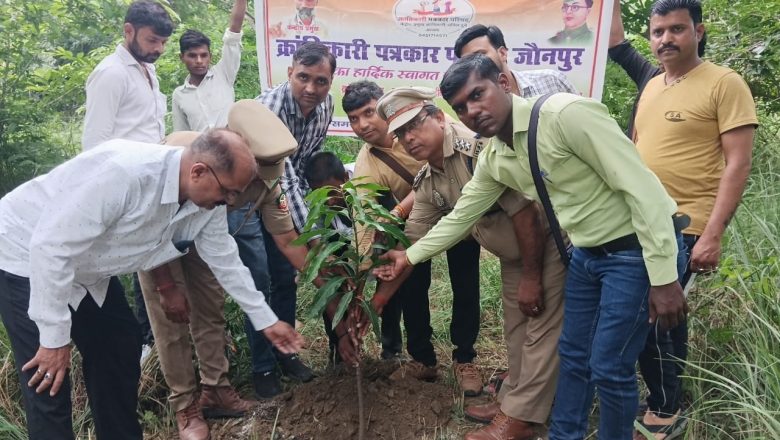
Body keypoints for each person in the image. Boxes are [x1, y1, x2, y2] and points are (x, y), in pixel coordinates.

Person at [374, 53, 689, 439]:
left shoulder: (565, 115)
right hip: (588, 254)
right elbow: (460, 217)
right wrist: (408, 255)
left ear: (503, 84)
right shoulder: (496, 155)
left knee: (609, 365)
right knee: (574, 357)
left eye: (478, 95)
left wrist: (663, 276)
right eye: (461, 106)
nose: (472, 111)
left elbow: (644, 190)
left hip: (632, 251)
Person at [0, 129, 303, 440]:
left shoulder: (207, 202)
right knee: (49, 379)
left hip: (88, 267)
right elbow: (51, 247)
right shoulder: (125, 174)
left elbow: (225, 260)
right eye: (227, 192)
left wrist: (266, 321)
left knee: (119, 346)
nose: (230, 202)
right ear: (198, 171)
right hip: (27, 254)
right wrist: (53, 340)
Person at [375, 86, 568, 440]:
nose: (408, 138)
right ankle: (515, 405)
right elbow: (413, 247)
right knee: (517, 330)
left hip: (546, 246)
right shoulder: (429, 178)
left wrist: (531, 276)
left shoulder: (477, 151)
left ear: (437, 117)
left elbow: (526, 213)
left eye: (414, 126)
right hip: (515, 256)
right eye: (400, 133)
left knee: (539, 332)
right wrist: (378, 300)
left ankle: (522, 420)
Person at [609, 1, 757, 438]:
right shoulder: (654, 83)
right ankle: (663, 393)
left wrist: (713, 234)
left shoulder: (724, 84)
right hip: (638, 222)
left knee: (660, 315)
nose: (665, 39)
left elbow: (738, 164)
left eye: (676, 29)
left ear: (698, 31)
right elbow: (615, 42)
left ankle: (666, 407)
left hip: (687, 225)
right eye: (657, 32)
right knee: (649, 315)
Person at [136, 100, 319, 440]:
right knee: (171, 317)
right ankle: (185, 406)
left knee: (210, 308)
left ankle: (215, 389)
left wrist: (325, 286)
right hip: (153, 239)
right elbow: (146, 233)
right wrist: (166, 286)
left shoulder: (266, 179)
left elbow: (280, 240)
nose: (248, 190)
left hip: (203, 236)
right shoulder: (181, 158)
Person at [341, 81, 485, 388]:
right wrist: (363, 274)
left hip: (465, 217)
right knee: (413, 288)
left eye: (369, 113)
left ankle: (465, 359)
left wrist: (398, 211)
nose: (363, 124)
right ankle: (423, 359)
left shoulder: (447, 132)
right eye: (354, 118)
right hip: (420, 223)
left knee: (465, 285)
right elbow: (364, 217)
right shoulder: (369, 160)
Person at [81, 0, 175, 363]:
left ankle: (149, 339)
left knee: (150, 263)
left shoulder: (147, 70)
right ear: (128, 31)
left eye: (164, 43)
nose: (159, 49)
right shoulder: (111, 74)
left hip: (153, 181)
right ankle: (136, 344)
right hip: (125, 186)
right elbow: (96, 144)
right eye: (153, 41)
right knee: (137, 265)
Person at [245, 41, 335, 392]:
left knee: (285, 276)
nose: (311, 89)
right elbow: (280, 177)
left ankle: (285, 354)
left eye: (321, 80)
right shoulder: (270, 109)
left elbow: (297, 169)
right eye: (303, 78)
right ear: (289, 73)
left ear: (331, 81)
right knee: (259, 276)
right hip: (246, 195)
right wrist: (311, 238)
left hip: (281, 190)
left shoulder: (324, 106)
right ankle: (262, 367)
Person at [172, 0, 247, 131]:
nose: (199, 60)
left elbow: (234, 33)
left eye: (204, 55)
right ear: (182, 57)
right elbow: (182, 134)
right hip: (202, 151)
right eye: (192, 55)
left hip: (232, 148)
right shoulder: (179, 95)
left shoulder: (223, 73)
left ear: (210, 56)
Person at [454, 24, 578, 97]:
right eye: (467, 61)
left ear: (502, 53)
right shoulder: (474, 106)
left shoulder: (552, 81)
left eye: (480, 55)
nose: (474, 64)